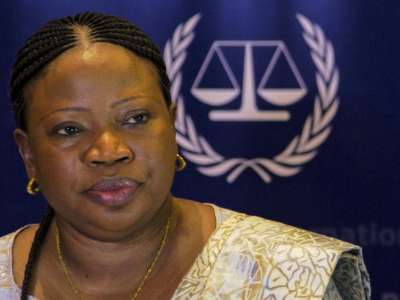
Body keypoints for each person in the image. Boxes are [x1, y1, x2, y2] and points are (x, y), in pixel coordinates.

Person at [0, 12, 370, 300]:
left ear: (174, 127)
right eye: (70, 129)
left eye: (136, 118)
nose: (109, 151)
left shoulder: (293, 274)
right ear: (28, 153)